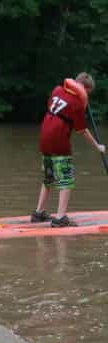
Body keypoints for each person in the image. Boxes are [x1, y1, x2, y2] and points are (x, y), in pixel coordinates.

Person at [31, 72, 106, 227]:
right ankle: (60, 218)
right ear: (85, 88)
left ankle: (38, 213)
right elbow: (82, 130)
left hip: (45, 135)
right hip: (58, 138)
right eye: (88, 92)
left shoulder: (57, 90)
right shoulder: (77, 103)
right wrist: (97, 147)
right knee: (66, 179)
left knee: (49, 177)